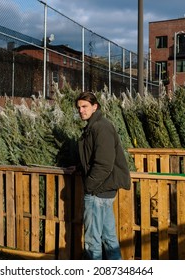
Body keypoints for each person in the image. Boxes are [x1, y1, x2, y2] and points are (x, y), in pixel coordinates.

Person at [75, 91, 131, 260]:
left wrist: (89, 187)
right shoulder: (93, 127)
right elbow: (91, 158)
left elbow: (104, 164)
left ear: (95, 106)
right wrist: (77, 167)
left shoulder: (101, 127)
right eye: (79, 108)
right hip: (104, 190)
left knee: (92, 243)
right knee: (109, 239)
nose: (81, 111)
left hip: (98, 192)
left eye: (85, 106)